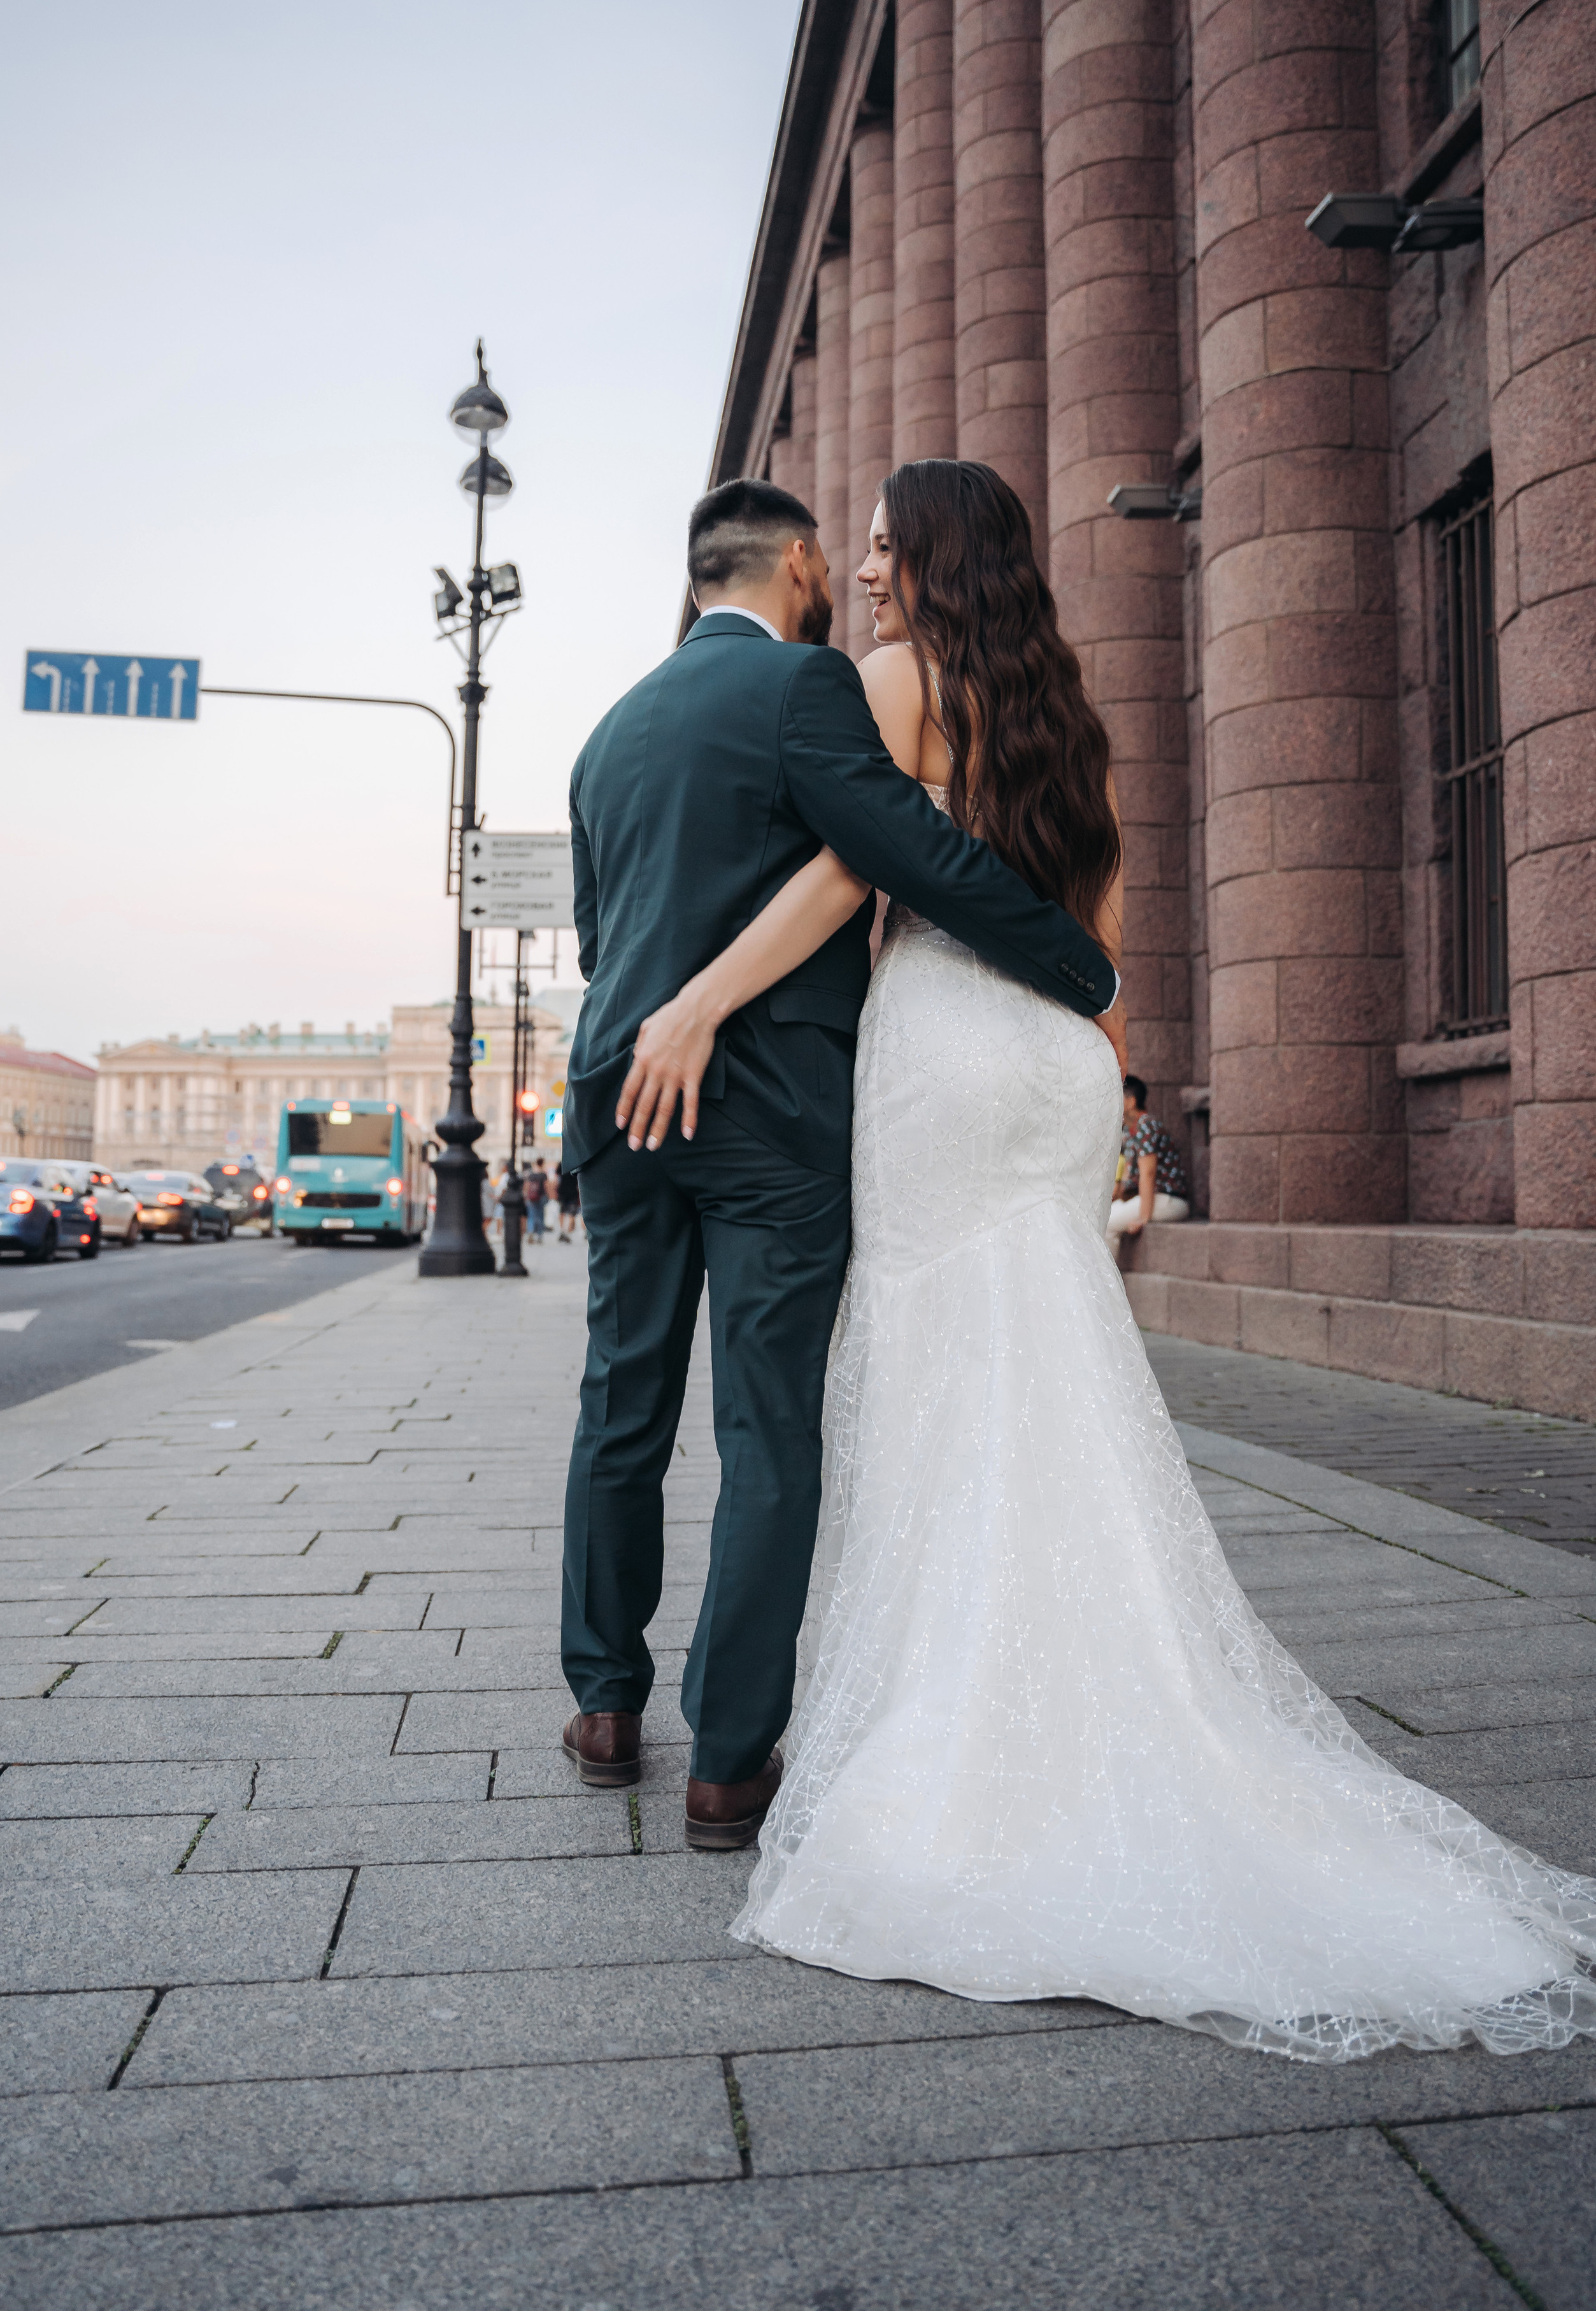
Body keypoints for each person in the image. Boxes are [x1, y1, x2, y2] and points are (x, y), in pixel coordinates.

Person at [622, 458, 1596, 2061]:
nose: (859, 575)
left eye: (878, 548)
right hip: (1057, 1067)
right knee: (1056, 1373)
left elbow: (852, 867)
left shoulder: (888, 678)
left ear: (933, 557)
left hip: (940, 1044)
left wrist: (698, 998)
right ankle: (1116, 1698)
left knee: (943, 1381)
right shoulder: (1064, 714)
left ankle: (968, 1742)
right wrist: (1121, 1106)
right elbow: (1102, 941)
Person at [558, 475, 1123, 1849]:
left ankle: (605, 1704)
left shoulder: (605, 733)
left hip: (618, 1085)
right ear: (799, 563)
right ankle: (727, 1763)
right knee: (764, 1427)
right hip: (767, 1100)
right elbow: (893, 854)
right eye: (844, 554)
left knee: (620, 1397)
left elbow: (594, 936)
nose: (856, 577)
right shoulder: (812, 692)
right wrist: (1078, 969)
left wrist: (659, 1016)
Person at [1106, 1073, 1190, 1257]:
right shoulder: (1129, 1130)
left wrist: (1143, 1217)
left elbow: (1149, 1172)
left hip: (1170, 1200)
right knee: (1101, 1218)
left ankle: (1105, 1282)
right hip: (1150, 1199)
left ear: (1130, 1101)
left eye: (1115, 1097)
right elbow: (1129, 1172)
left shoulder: (1146, 1124)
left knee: (1108, 1223)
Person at [555, 1164, 581, 1242]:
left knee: (562, 1212)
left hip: (563, 1191)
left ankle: (562, 1230)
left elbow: (557, 1179)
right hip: (573, 1191)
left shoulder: (561, 1164)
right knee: (572, 1213)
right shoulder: (575, 1163)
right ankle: (567, 1233)